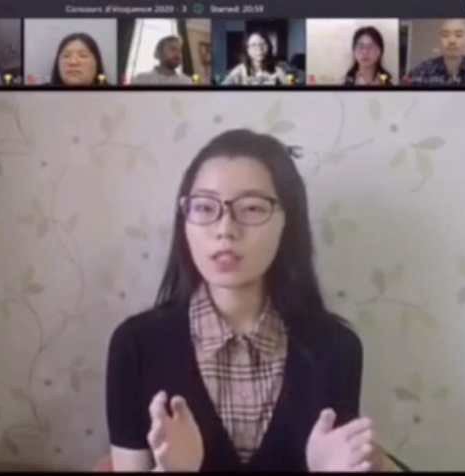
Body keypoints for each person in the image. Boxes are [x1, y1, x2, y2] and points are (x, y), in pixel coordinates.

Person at [106, 129, 378, 471]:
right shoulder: (136, 345)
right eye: (204, 207)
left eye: (251, 208)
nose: (225, 229)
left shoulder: (336, 349)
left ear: (288, 222)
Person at [406, 19, 465, 86]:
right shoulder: (422, 72)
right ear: (439, 42)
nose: (452, 41)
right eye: (445, 35)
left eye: (458, 35)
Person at [221, 32, 287, 86]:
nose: (259, 49)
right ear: (247, 50)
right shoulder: (239, 70)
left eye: (263, 44)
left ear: (269, 47)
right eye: (253, 45)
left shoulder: (278, 70)